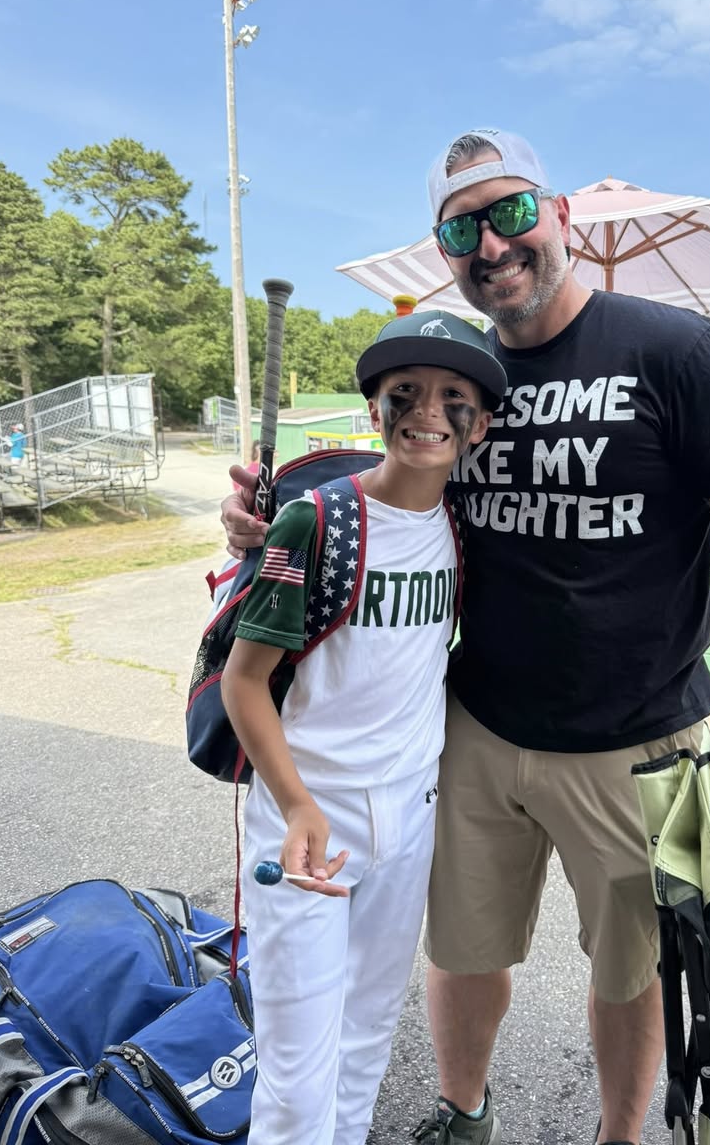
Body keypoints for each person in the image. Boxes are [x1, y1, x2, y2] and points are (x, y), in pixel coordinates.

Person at [221, 129, 710, 1145]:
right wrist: (265, 511)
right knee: (461, 948)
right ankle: (464, 1109)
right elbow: (384, 489)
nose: (491, 245)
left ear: (561, 218)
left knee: (629, 967)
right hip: (479, 728)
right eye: (462, 227)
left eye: (509, 214)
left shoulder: (676, 351)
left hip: (635, 738)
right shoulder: (459, 378)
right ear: (444, 249)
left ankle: (618, 1134)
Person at [220, 310, 505, 1145]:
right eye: (403, 392)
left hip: (409, 816)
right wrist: (298, 806)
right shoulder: (315, 521)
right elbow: (245, 686)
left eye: (454, 396)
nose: (427, 410)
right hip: (309, 815)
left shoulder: (459, 526)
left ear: (479, 424)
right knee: (298, 1071)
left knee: (367, 1040)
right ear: (374, 408)